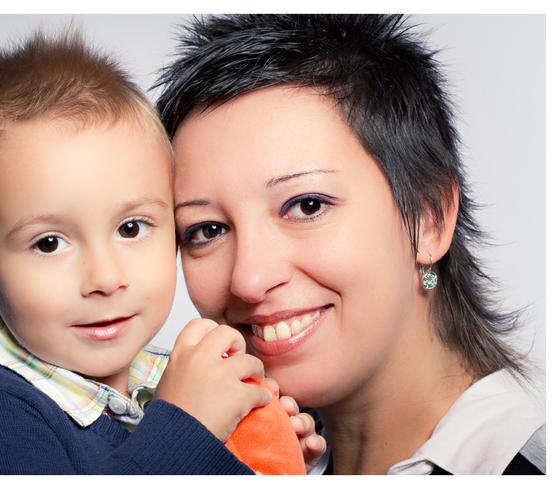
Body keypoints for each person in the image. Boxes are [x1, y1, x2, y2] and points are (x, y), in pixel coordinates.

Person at [155, 14, 545, 475]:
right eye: (207, 230)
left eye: (306, 206)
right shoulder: (243, 458)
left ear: (429, 218)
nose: (249, 279)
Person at [0, 29, 321, 474]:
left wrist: (252, 459)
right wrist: (188, 427)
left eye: (131, 228)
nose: (106, 278)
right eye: (49, 243)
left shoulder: (164, 382)